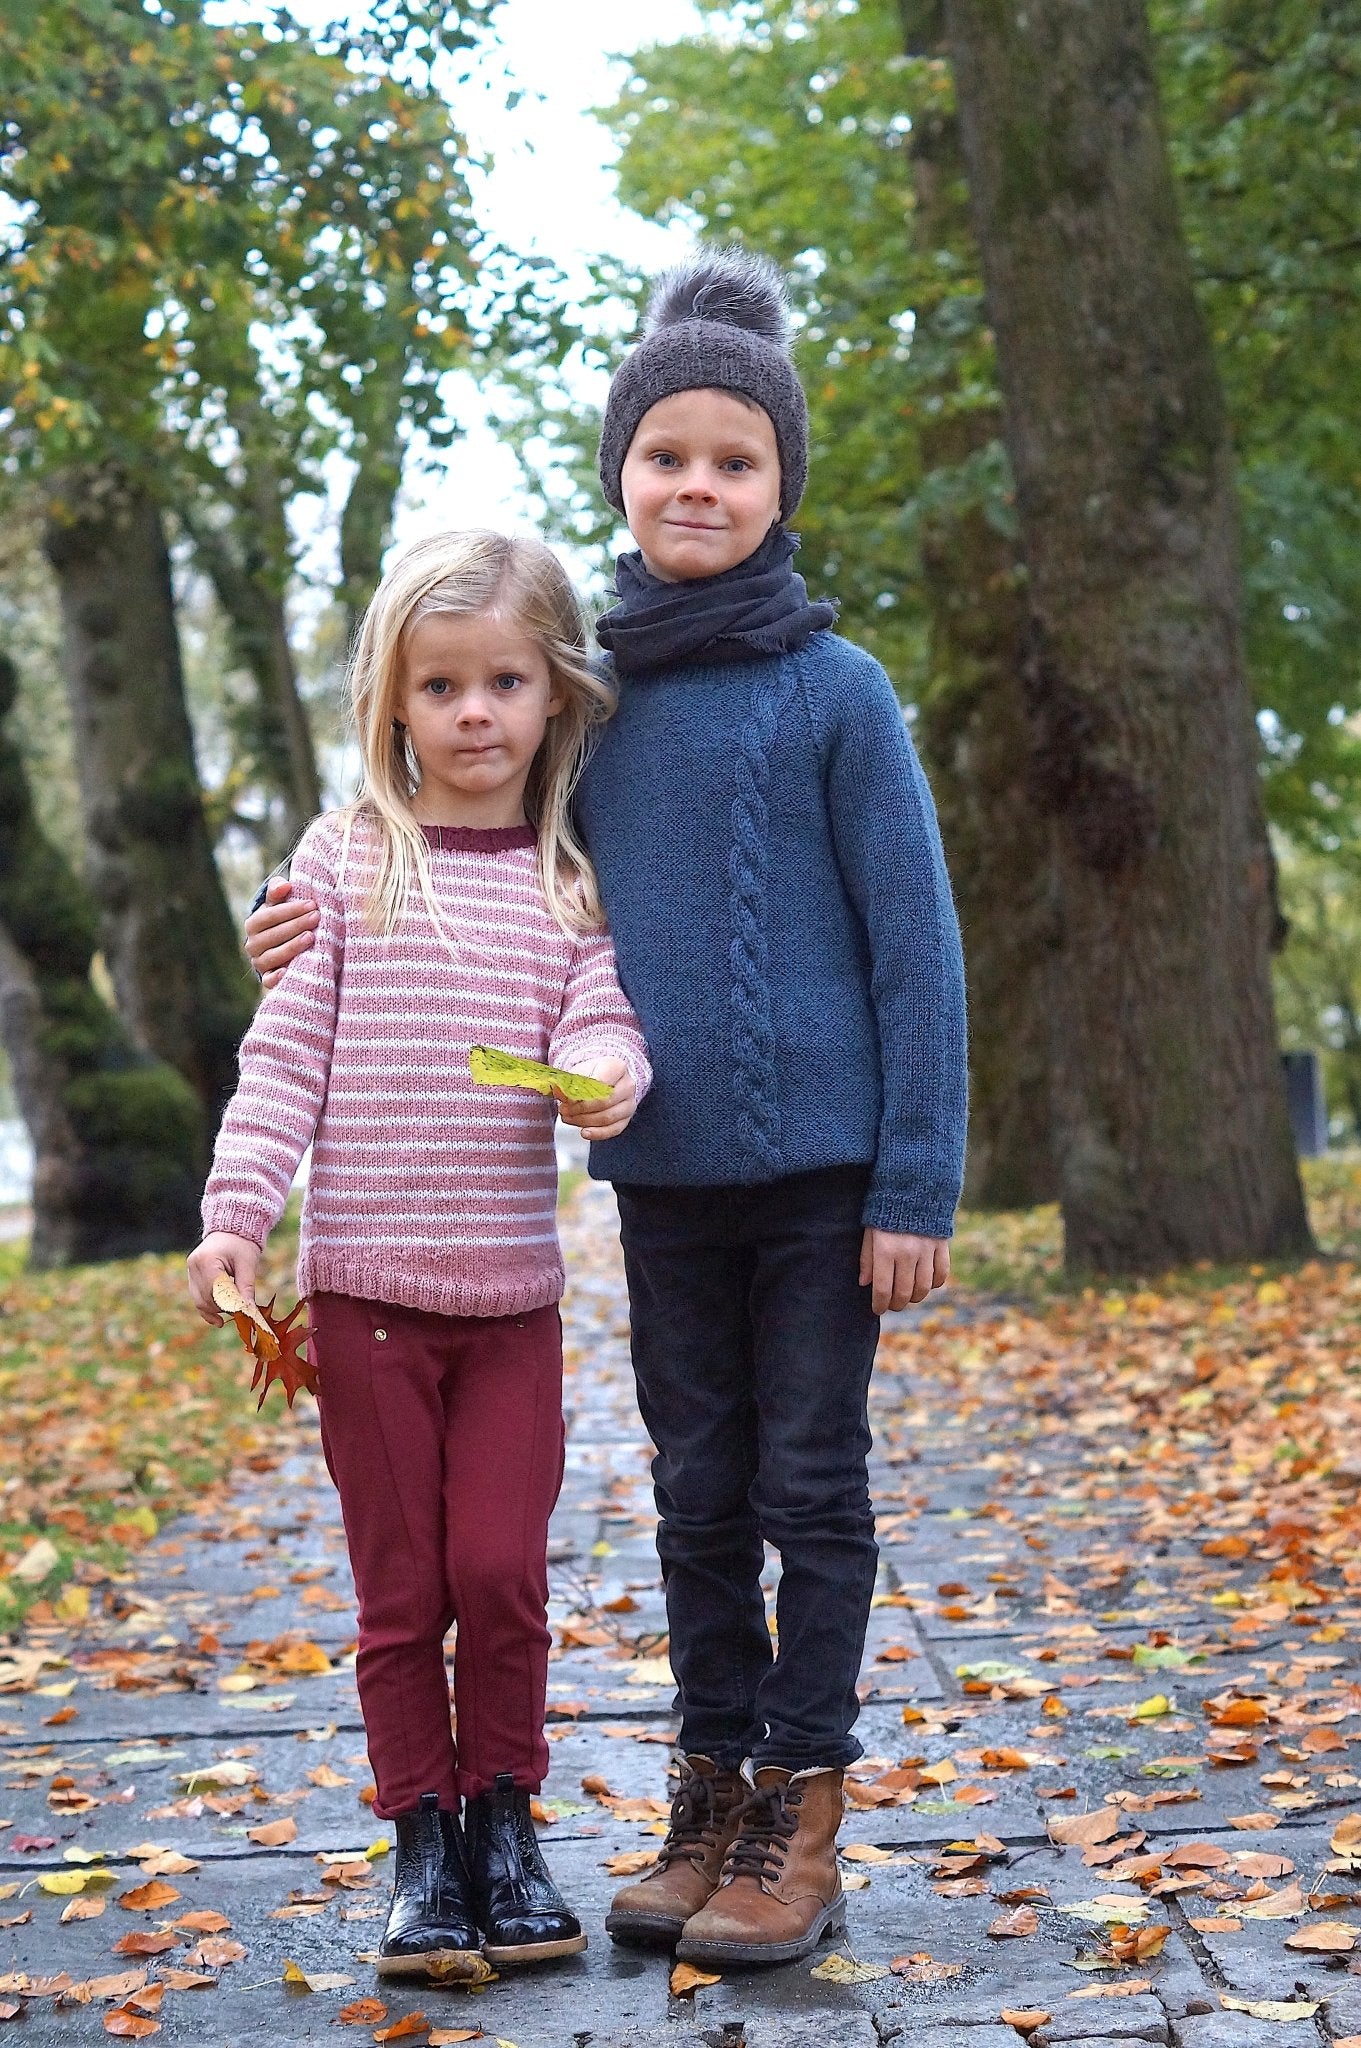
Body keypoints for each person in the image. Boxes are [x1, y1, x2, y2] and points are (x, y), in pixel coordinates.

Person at [245, 248, 968, 1969]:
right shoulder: (589, 699)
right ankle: (704, 1794)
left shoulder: (837, 691)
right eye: (667, 457)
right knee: (698, 1492)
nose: (696, 484)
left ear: (782, 481)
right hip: (659, 1178)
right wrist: (284, 918)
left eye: (733, 458)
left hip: (823, 1181)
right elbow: (457, 833)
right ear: (621, 477)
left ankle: (800, 1807)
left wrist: (917, 1185)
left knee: (812, 1484)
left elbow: (917, 949)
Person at [188, 530, 650, 1977]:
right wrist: (234, 1215)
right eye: (438, 683)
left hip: (510, 1303)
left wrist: (602, 1071)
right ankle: (420, 1847)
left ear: (554, 696)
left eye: (503, 681)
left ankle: (506, 1820)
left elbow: (598, 1016)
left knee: (503, 1572)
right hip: (367, 1304)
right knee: (404, 1589)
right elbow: (282, 1065)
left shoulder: (567, 879)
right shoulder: (344, 866)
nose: (471, 712)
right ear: (391, 698)